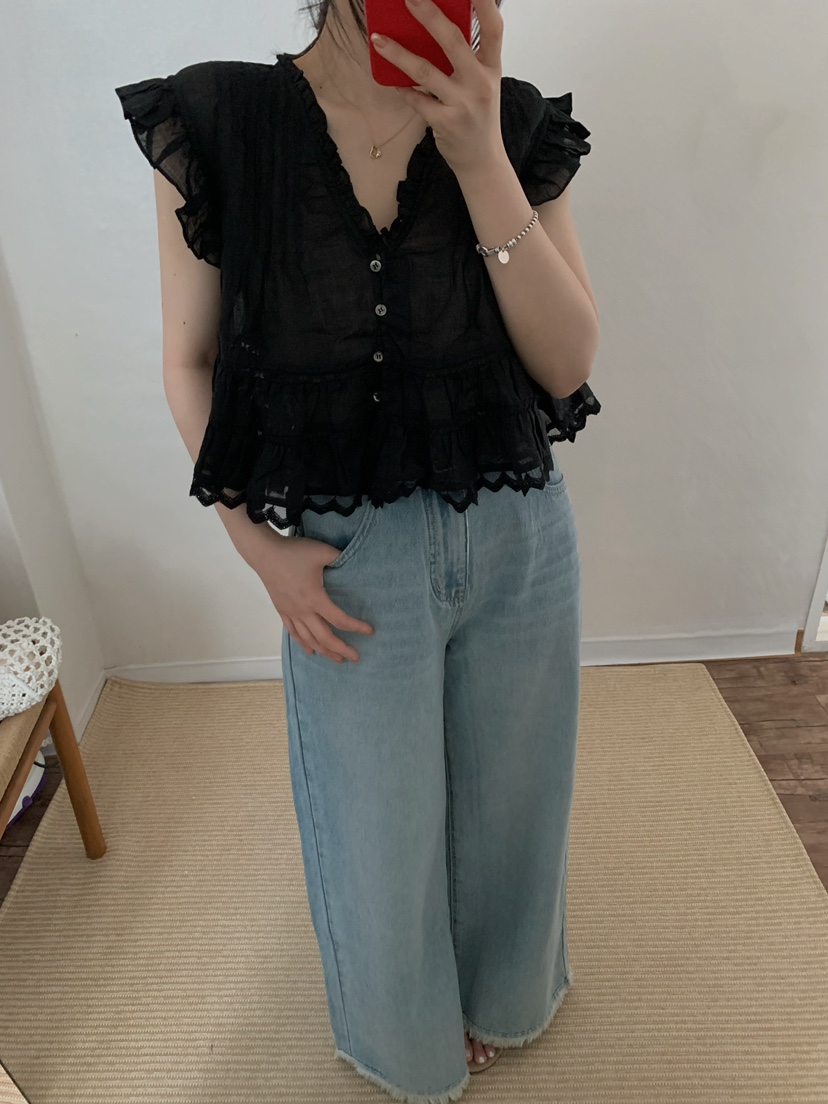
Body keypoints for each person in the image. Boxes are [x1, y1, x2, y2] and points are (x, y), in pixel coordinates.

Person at [115, 0, 600, 1100]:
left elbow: (568, 364)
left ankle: (505, 993)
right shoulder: (222, 116)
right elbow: (188, 362)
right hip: (345, 562)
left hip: (519, 537)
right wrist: (258, 549)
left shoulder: (516, 122)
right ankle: (406, 1035)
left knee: (517, 809)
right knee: (376, 834)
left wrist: (480, 156)